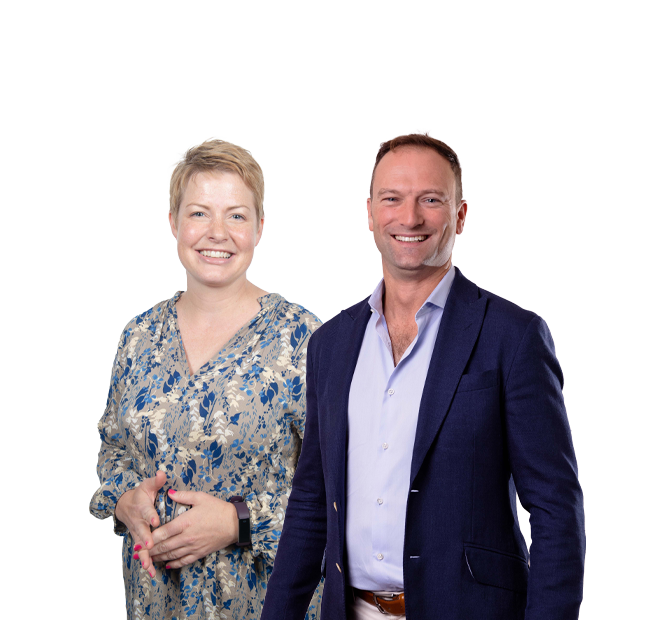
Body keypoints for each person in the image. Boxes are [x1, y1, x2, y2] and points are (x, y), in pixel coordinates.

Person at [260, 131, 585, 620]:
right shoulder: (330, 345)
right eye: (392, 199)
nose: (409, 218)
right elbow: (310, 502)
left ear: (460, 215)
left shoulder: (513, 337)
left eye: (430, 200)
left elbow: (557, 509)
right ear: (371, 212)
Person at [89, 138, 323, 620]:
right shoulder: (139, 337)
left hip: (268, 603)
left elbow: (336, 485)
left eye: (236, 215)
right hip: (156, 603)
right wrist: (125, 501)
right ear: (174, 222)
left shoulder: (303, 338)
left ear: (259, 227)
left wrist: (239, 522)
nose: (218, 233)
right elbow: (113, 450)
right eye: (199, 213)